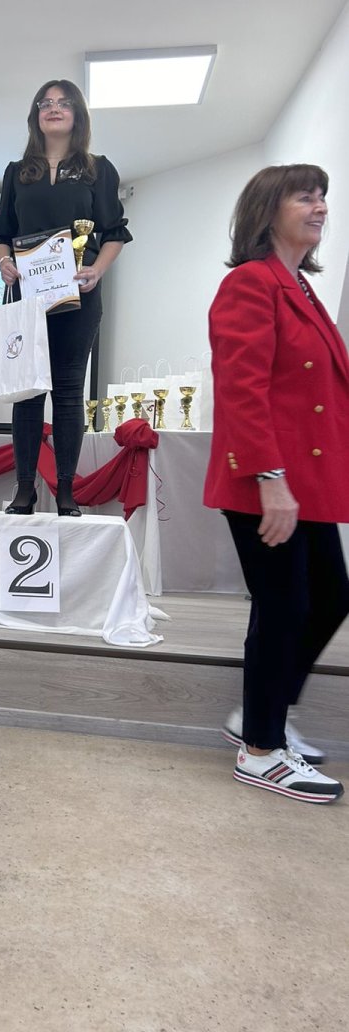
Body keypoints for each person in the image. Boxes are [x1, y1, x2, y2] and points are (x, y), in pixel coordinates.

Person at [204, 163, 349, 803]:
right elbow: (242, 388)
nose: (320, 207)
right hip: (265, 478)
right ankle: (261, 752)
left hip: (303, 479)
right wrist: (270, 478)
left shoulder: (302, 289)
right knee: (285, 605)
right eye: (304, 197)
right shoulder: (249, 283)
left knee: (331, 597)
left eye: (322, 198)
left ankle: (260, 715)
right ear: (269, 211)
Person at [0, 80, 131, 515]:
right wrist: (4, 261)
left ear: (77, 114)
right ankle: (25, 490)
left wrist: (96, 270)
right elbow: (0, 234)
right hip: (26, 299)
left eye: (63, 103)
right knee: (28, 392)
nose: (54, 108)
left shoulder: (98, 169)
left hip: (78, 296)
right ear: (36, 115)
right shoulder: (17, 172)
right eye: (45, 103)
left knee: (69, 391)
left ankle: (66, 490)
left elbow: (114, 233)